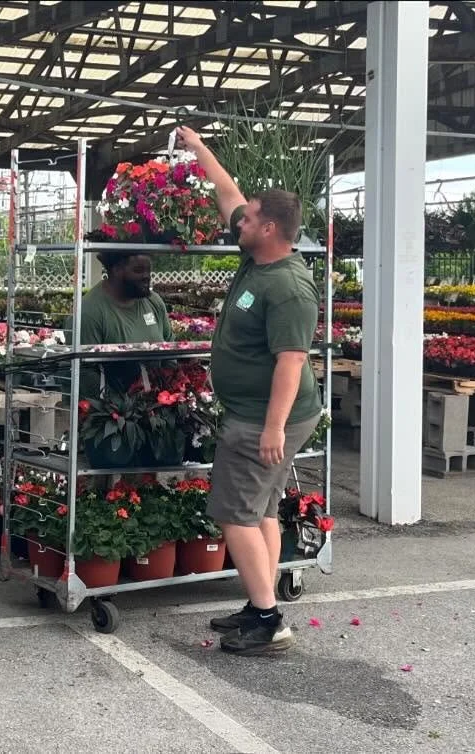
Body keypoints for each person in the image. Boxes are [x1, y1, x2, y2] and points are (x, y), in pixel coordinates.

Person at [177, 125, 322, 655]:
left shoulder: (287, 287)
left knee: (233, 512)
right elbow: (229, 194)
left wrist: (273, 429)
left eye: (253, 218)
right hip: (257, 411)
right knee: (261, 509)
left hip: (266, 415)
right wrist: (199, 149)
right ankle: (259, 602)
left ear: (272, 229)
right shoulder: (256, 257)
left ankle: (268, 621)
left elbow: (291, 362)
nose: (241, 220)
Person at [77, 251, 173, 399]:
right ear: (116, 270)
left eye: (148, 270)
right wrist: (115, 410)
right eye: (138, 270)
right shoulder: (90, 311)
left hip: (159, 404)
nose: (146, 276)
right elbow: (85, 372)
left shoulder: (154, 302)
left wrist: (171, 388)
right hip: (115, 410)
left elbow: (170, 348)